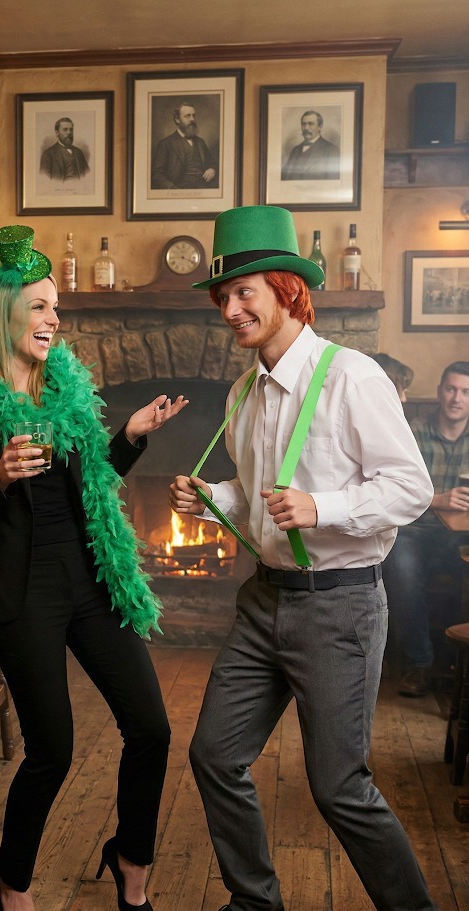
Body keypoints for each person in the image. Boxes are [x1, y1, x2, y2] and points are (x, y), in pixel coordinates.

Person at [168, 205, 438, 911]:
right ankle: (255, 902)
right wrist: (212, 497)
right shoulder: (242, 392)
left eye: (243, 292)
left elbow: (412, 487)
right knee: (214, 755)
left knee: (339, 788)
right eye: (221, 297)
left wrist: (325, 507)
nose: (229, 310)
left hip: (340, 606)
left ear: (287, 290)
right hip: (263, 602)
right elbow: (256, 494)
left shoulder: (352, 378)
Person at [0, 225, 188, 911]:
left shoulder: (65, 384)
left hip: (91, 577)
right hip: (23, 590)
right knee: (52, 751)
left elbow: (93, 483)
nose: (52, 320)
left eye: (55, 308)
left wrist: (128, 437)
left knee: (151, 729)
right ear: (1, 314)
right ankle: (12, 880)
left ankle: (131, 858)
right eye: (39, 307)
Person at [384, 361, 469, 698]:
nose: (457, 398)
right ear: (439, 392)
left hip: (461, 537)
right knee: (400, 564)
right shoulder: (415, 432)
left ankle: (459, 662)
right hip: (417, 532)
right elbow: (396, 488)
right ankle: (419, 663)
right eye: (451, 389)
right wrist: (439, 499)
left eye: (465, 392)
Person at [150, 101, 217, 189]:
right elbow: (157, 174)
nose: (192, 119)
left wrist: (212, 169)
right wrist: (173, 189)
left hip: (203, 188)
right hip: (179, 190)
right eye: (187, 116)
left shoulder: (201, 142)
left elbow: (212, 163)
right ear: (177, 120)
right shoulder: (165, 144)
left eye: (193, 115)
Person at [281, 110, 341, 181]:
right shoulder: (295, 150)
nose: (306, 127)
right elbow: (285, 178)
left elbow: (333, 182)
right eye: (304, 124)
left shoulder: (332, 150)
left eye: (311, 124)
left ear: (320, 127)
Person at [39, 116, 90, 181]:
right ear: (57, 133)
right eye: (65, 129)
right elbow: (44, 181)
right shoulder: (48, 154)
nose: (69, 132)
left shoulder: (79, 152)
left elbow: (88, 176)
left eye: (71, 129)